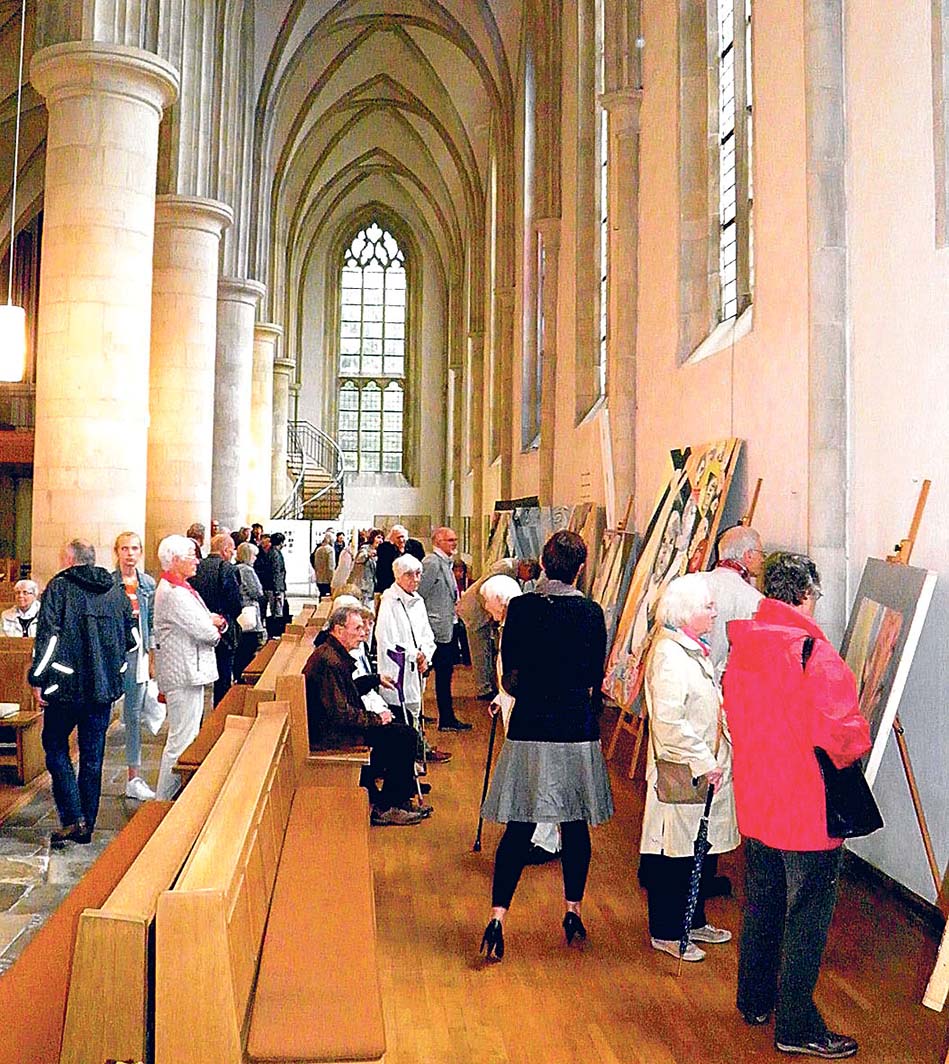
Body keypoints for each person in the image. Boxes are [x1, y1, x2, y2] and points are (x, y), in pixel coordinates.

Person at [724, 553, 870, 1059]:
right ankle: (796, 1026)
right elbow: (843, 738)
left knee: (763, 902)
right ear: (806, 595)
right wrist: (863, 732)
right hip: (806, 808)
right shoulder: (815, 654)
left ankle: (754, 1000)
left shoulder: (744, 645)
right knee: (807, 915)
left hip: (758, 799)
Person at [479, 530, 613, 960]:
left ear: (542, 563)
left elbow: (510, 676)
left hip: (531, 725)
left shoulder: (520, 608)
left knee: (519, 826)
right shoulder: (590, 613)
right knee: (574, 825)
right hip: (574, 726)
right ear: (580, 568)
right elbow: (594, 675)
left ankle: (497, 918)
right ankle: (572, 912)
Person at [638, 572, 739, 962]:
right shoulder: (669, 654)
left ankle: (692, 921)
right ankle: (666, 931)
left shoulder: (692, 648)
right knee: (674, 853)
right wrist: (704, 760)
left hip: (705, 767)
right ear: (684, 611)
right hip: (682, 770)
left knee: (700, 846)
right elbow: (668, 722)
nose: (715, 612)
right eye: (708, 607)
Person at [28, 539, 135, 846]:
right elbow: (131, 638)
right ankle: (86, 824)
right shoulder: (115, 590)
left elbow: (48, 639)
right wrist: (114, 669)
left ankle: (73, 816)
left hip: (66, 687)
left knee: (54, 745)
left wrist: (37, 677)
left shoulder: (59, 588)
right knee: (92, 756)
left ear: (70, 560)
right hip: (102, 688)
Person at [303, 604, 426, 826]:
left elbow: (346, 693)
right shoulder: (329, 662)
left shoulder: (332, 654)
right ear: (339, 630)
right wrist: (376, 719)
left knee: (401, 732)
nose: (363, 633)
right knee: (404, 737)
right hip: (331, 736)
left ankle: (396, 799)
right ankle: (388, 806)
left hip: (334, 728)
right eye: (357, 628)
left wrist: (374, 679)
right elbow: (340, 714)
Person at [481, 573, 561, 864]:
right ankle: (537, 834)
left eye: (487, 601)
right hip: (517, 709)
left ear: (500, 602)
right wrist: (499, 698)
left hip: (529, 715)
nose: (485, 607)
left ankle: (545, 840)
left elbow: (526, 673)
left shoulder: (522, 627)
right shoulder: (510, 625)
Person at [153, 534, 225, 800]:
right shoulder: (174, 594)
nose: (197, 561)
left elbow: (205, 621)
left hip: (186, 671)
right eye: (191, 556)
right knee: (181, 741)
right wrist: (216, 625)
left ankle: (175, 797)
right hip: (183, 673)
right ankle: (162, 802)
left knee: (187, 737)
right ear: (174, 560)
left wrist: (213, 622)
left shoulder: (180, 589)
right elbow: (207, 632)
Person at [375, 554, 443, 756]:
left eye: (418, 574)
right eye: (409, 575)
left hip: (417, 670)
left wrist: (426, 656)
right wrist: (415, 655)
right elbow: (388, 640)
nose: (415, 579)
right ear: (398, 576)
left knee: (415, 713)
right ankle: (407, 761)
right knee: (401, 718)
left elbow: (427, 635)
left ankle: (416, 754)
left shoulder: (418, 601)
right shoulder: (389, 602)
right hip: (398, 671)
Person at [112, 531, 157, 801]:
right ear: (117, 552)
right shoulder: (109, 583)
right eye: (124, 548)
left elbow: (150, 622)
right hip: (113, 654)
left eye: (134, 548)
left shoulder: (147, 583)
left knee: (133, 715)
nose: (130, 554)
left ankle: (133, 776)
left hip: (137, 654)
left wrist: (151, 657)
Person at [457, 558, 540, 701]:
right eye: (529, 577)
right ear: (527, 568)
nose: (526, 581)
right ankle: (483, 690)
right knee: (480, 651)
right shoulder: (505, 567)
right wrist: (492, 612)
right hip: (476, 611)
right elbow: (482, 590)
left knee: (486, 651)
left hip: (484, 610)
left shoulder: (511, 569)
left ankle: (489, 685)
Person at [418, 526, 470, 731]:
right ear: (437, 542)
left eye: (455, 539)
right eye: (450, 540)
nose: (454, 543)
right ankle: (440, 718)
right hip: (435, 630)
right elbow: (420, 594)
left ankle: (447, 718)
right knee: (435, 674)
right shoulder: (432, 563)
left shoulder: (446, 562)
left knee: (445, 674)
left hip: (447, 627)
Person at [189, 532, 243, 706]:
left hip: (199, 625)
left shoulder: (196, 567)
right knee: (223, 674)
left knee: (198, 677)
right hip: (222, 627)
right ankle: (220, 710)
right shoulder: (228, 569)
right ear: (225, 550)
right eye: (232, 550)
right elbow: (235, 602)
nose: (233, 553)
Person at [705, 524, 765, 680]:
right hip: (720, 684)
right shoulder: (755, 600)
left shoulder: (689, 584)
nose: (763, 559)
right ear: (749, 555)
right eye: (761, 553)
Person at [233, 541, 267, 683]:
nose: (255, 558)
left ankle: (238, 675)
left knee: (241, 647)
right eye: (254, 555)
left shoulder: (234, 568)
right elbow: (256, 591)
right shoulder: (246, 570)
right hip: (249, 612)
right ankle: (244, 676)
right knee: (249, 646)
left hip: (241, 612)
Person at [351, 528, 383, 607]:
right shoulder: (365, 548)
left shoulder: (379, 551)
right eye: (378, 537)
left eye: (382, 538)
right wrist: (368, 554)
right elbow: (359, 559)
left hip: (371, 586)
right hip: (362, 584)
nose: (380, 540)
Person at [375, 525, 408, 594]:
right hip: (388, 585)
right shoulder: (384, 549)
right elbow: (382, 570)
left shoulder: (414, 547)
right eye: (398, 538)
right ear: (392, 539)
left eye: (402, 537)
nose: (401, 540)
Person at [269, 532, 288, 622]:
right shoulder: (276, 554)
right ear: (281, 542)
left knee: (275, 610)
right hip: (276, 587)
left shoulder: (271, 552)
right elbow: (276, 572)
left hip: (273, 586)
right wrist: (277, 590)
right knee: (277, 612)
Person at [311, 531, 336, 597]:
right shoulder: (330, 550)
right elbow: (331, 566)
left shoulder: (318, 549)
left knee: (322, 595)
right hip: (327, 580)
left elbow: (315, 563)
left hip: (319, 578)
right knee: (328, 598)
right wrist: (332, 579)